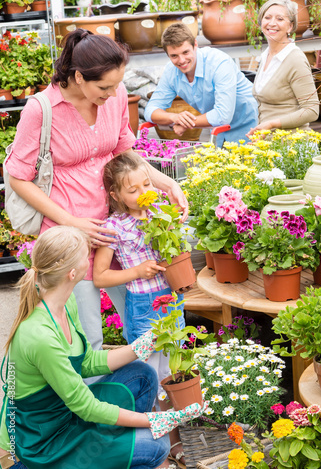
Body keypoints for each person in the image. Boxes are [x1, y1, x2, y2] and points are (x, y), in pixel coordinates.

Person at [5, 28, 188, 352]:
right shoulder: (42, 110)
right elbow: (18, 177)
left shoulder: (114, 96)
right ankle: (88, 399)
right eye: (105, 87)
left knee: (147, 320)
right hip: (71, 237)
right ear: (78, 77)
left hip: (118, 228)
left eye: (118, 84)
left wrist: (166, 182)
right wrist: (71, 222)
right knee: (86, 337)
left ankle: (146, 391)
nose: (114, 93)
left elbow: (124, 151)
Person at [0, 226, 204, 469]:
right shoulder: (39, 335)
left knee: (143, 374)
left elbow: (85, 363)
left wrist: (139, 347)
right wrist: (155, 419)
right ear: (72, 273)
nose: (92, 259)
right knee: (156, 446)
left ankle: (111, 447)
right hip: (40, 444)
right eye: (87, 255)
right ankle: (109, 450)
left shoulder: (65, 303)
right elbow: (84, 406)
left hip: (64, 415)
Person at [93, 152, 186, 468]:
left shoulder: (160, 213)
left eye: (147, 184)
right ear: (116, 195)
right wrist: (137, 271)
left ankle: (176, 440)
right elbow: (100, 276)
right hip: (144, 306)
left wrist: (176, 222)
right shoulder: (114, 227)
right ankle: (159, 446)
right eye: (132, 190)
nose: (143, 192)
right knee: (150, 375)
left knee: (174, 372)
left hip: (172, 300)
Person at [144, 23, 258, 147]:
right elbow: (150, 111)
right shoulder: (171, 72)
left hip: (249, 125)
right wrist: (174, 118)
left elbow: (223, 115)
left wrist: (186, 123)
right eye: (174, 56)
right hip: (218, 132)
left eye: (185, 52)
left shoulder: (219, 63)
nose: (181, 60)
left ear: (195, 45)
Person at [247, 0, 319, 137]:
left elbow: (312, 110)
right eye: (267, 17)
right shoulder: (266, 56)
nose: (272, 23)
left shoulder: (294, 59)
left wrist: (271, 124)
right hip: (270, 145)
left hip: (292, 146)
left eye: (280, 19)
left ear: (290, 27)